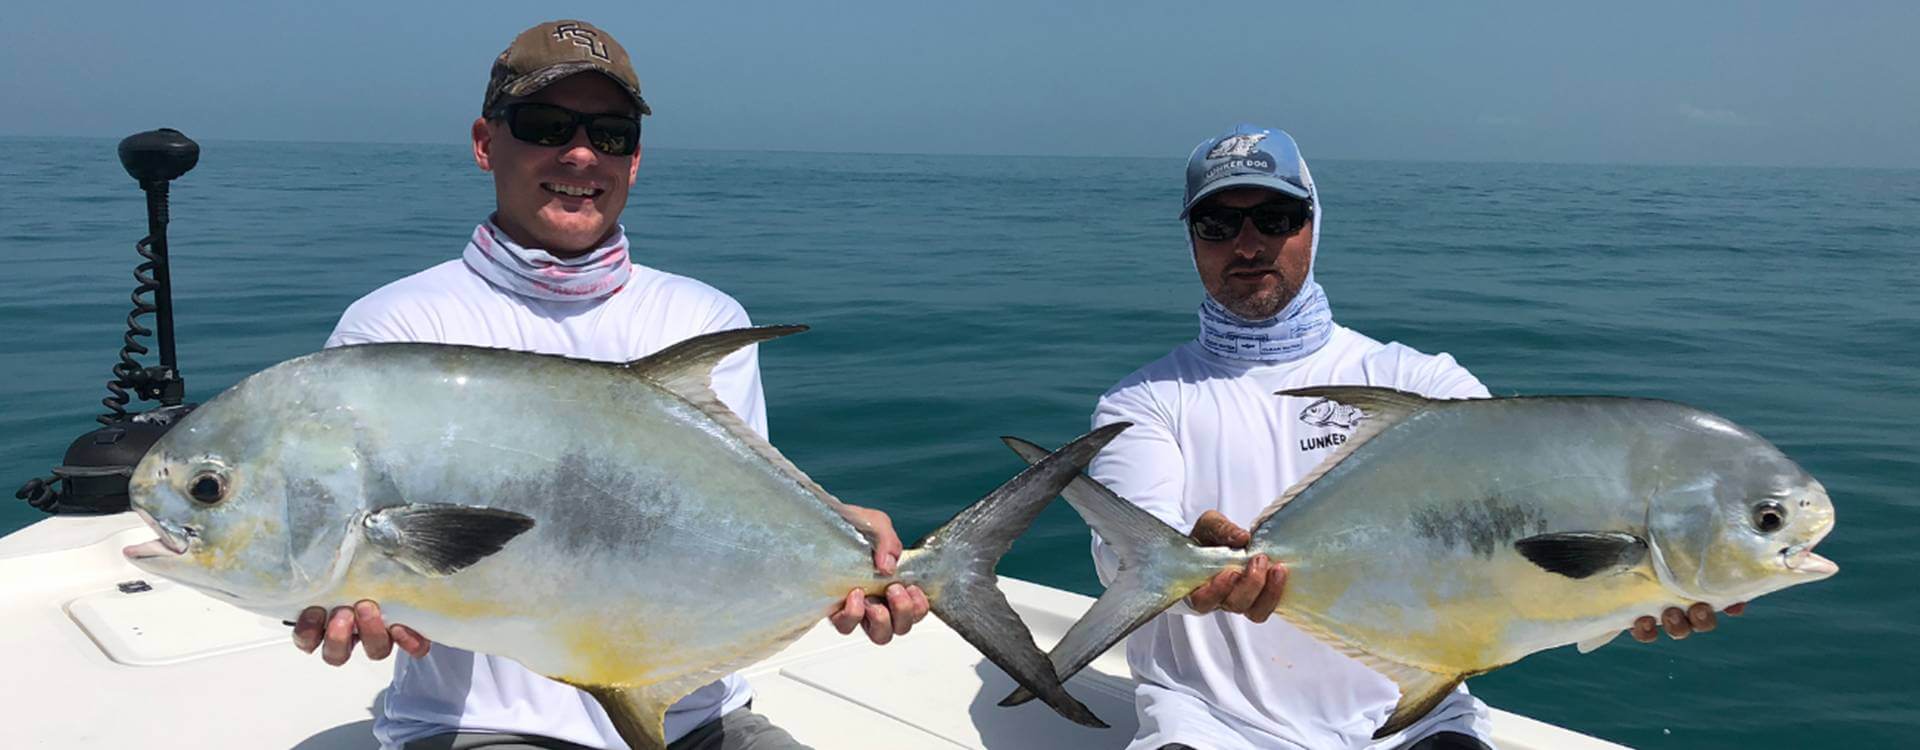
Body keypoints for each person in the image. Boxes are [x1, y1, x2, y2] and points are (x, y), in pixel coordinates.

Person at [287, 20, 929, 750]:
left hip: (697, 717)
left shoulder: (702, 316)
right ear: (484, 141)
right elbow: (339, 547)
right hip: (482, 729)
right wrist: (324, 602)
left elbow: (716, 509)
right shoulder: (394, 328)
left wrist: (839, 541)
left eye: (612, 133)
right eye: (545, 124)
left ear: (636, 158)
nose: (582, 153)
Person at [1083, 123, 1745, 750]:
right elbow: (1126, 556)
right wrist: (1191, 562)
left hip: (1415, 718)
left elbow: (1531, 537)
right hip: (1210, 724)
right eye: (1218, 224)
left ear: (1314, 222)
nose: (1249, 244)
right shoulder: (1145, 402)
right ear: (1192, 237)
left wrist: (1639, 592)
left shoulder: (1423, 381)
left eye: (1276, 219)